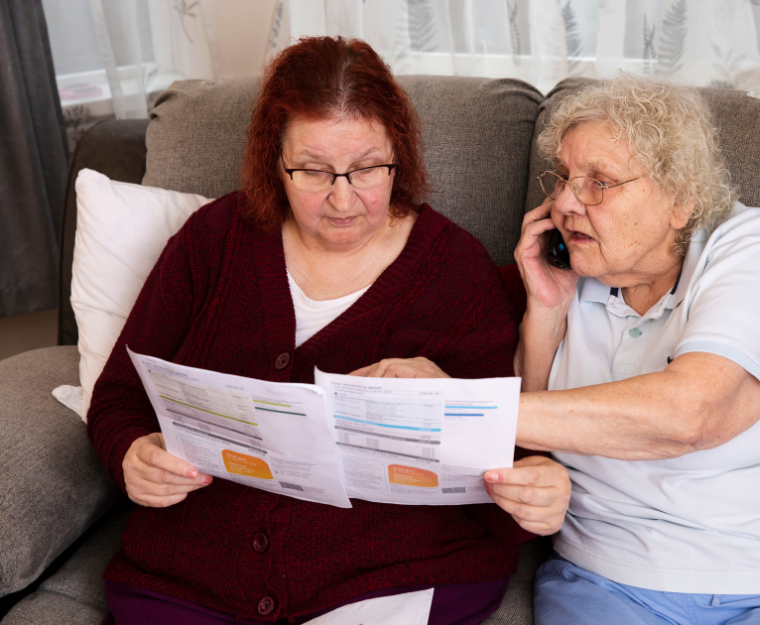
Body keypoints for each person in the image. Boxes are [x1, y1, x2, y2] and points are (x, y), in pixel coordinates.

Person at [87, 36, 569, 625]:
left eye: (367, 169)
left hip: (387, 582)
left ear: (400, 153)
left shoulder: (456, 271)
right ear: (275, 162)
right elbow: (117, 398)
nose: (343, 200)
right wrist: (133, 453)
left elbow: (506, 486)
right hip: (192, 579)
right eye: (313, 171)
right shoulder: (211, 241)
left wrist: (518, 476)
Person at [511, 75, 760, 625]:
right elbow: (537, 448)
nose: (566, 202)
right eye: (565, 178)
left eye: (600, 182)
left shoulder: (758, 246)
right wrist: (544, 313)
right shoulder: (576, 274)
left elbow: (688, 416)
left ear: (681, 201)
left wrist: (466, 414)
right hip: (607, 578)